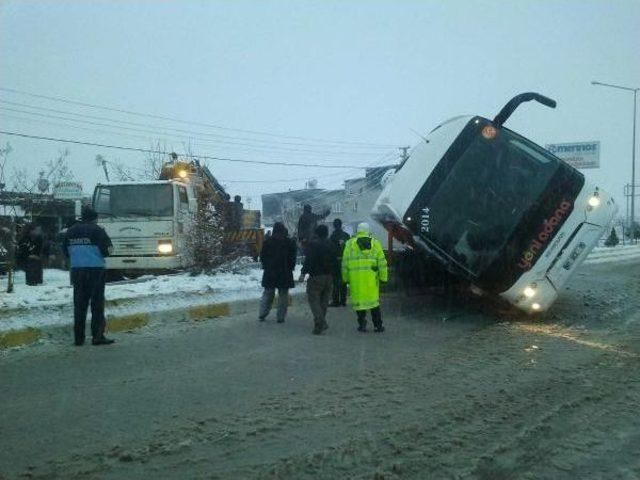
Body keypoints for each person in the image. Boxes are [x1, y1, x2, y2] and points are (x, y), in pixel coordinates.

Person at [63, 206, 114, 346]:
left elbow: (65, 252)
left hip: (77, 271)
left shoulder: (71, 231)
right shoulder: (98, 230)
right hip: (95, 271)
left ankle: (78, 338)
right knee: (97, 304)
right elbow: (108, 250)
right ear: (94, 218)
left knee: (79, 305)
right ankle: (97, 336)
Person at [342, 222, 388, 333]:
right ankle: (378, 326)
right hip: (371, 280)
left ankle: (362, 324)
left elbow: (345, 263)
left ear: (357, 231)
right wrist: (383, 277)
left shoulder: (350, 244)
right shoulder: (375, 243)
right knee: (374, 303)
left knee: (360, 303)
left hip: (356, 280)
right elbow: (382, 262)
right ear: (368, 231)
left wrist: (345, 278)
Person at [300, 224, 335, 335]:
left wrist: (303, 273)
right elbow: (335, 261)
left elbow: (309, 260)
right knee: (324, 301)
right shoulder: (331, 244)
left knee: (314, 299)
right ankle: (319, 325)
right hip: (329, 276)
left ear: (316, 233)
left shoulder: (313, 245)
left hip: (316, 276)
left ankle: (320, 322)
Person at [258, 222, 297, 323]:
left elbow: (262, 256)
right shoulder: (289, 242)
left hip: (270, 272)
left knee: (268, 293)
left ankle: (262, 313)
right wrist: (290, 268)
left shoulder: (268, 242)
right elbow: (293, 258)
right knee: (283, 295)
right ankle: (280, 317)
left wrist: (266, 266)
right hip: (284, 272)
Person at [329, 218, 350, 307]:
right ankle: (343, 300)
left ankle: (335, 301)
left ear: (334, 225)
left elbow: (330, 250)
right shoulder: (346, 235)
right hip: (345, 261)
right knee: (343, 281)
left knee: (335, 282)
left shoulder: (332, 236)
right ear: (341, 225)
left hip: (335, 262)